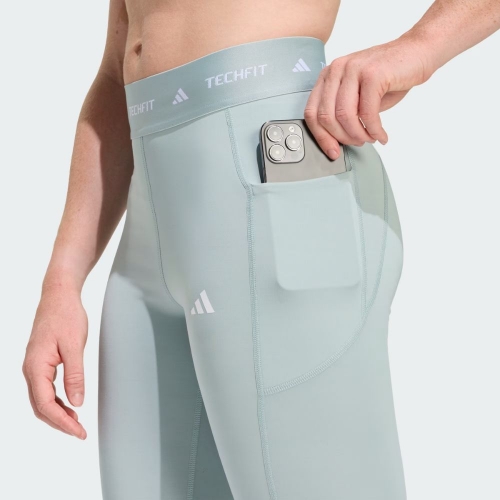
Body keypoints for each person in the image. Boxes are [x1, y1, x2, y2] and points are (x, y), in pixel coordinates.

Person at [22, 0, 500, 499]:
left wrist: (420, 47)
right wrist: (62, 280)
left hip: (273, 181)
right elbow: (114, 75)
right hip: (148, 239)